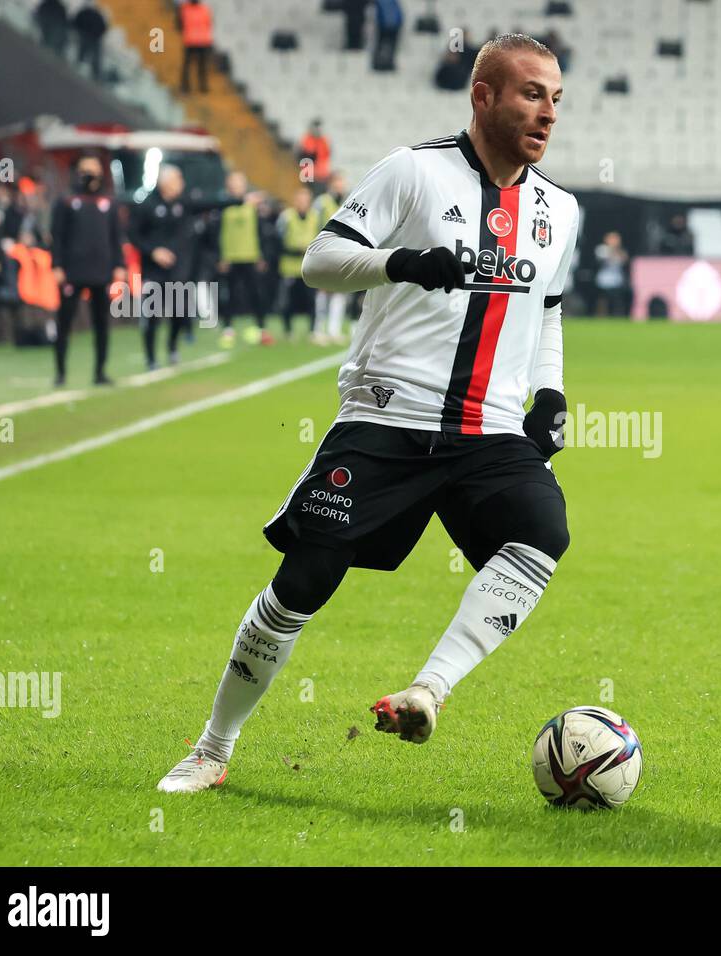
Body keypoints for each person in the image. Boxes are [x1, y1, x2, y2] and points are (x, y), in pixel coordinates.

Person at [157, 33, 580, 793]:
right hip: (389, 415)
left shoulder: (560, 209)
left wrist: (548, 393)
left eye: (555, 98)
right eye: (530, 93)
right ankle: (212, 749)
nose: (547, 112)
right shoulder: (413, 172)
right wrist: (402, 262)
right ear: (482, 95)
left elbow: (546, 311)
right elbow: (320, 259)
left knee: (542, 532)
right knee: (306, 578)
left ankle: (428, 690)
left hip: (486, 427)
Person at [129, 164, 245, 368]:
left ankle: (172, 347)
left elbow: (211, 203)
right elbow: (133, 234)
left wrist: (239, 200)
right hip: (154, 271)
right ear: (166, 183)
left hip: (178, 270)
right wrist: (153, 251)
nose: (181, 184)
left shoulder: (184, 203)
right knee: (153, 314)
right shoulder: (147, 205)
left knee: (180, 313)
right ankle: (151, 357)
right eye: (178, 180)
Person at [48, 153, 124, 386]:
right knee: (65, 322)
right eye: (86, 169)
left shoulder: (108, 202)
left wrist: (119, 265)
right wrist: (57, 265)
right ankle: (60, 372)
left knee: (101, 324)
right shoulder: (67, 200)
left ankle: (100, 371)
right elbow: (57, 236)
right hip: (72, 271)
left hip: (101, 271)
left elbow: (116, 237)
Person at [211, 171, 267, 341]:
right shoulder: (222, 205)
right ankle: (228, 326)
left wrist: (261, 255)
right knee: (230, 294)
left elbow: (260, 231)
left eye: (239, 183)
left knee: (255, 293)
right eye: (233, 183)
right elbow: (216, 233)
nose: (236, 187)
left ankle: (260, 326)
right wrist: (220, 256)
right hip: (230, 257)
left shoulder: (253, 206)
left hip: (250, 255)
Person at [276, 187, 323, 339]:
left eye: (305, 199)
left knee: (311, 300)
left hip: (309, 266)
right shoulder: (286, 217)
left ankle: (312, 331)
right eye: (299, 199)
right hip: (290, 266)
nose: (302, 203)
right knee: (288, 301)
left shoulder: (316, 217)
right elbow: (277, 240)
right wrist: (295, 250)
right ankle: (288, 331)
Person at [313, 172, 351, 342]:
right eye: (337, 182)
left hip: (342, 250)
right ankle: (319, 327)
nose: (340, 186)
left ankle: (334, 329)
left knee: (340, 291)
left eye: (342, 182)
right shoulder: (321, 203)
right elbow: (313, 224)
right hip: (324, 249)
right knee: (323, 289)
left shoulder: (349, 200)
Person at [179, 0, 214, 94]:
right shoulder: (205, 9)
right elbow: (209, 23)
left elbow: (179, 24)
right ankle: (202, 87)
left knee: (188, 65)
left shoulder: (185, 9)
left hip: (191, 40)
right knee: (201, 65)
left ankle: (186, 87)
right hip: (202, 40)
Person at [594, 231, 630, 315]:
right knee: (602, 302)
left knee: (617, 302)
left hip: (617, 281)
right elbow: (603, 258)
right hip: (604, 280)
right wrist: (612, 248)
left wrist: (617, 249)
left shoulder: (621, 251)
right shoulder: (601, 249)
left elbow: (625, 260)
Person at [71, 0, 108, 81]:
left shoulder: (86, 13)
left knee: (85, 54)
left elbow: (75, 22)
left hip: (91, 38)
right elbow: (104, 28)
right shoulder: (90, 14)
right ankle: (93, 74)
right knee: (84, 54)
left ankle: (94, 74)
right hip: (89, 37)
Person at [297, 120, 332, 192]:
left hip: (322, 174)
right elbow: (307, 156)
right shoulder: (307, 139)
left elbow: (326, 155)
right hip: (308, 174)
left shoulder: (324, 140)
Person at [372, 0, 403, 72]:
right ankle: (388, 62)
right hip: (394, 25)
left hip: (384, 26)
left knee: (381, 45)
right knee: (391, 46)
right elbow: (398, 12)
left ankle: (378, 63)